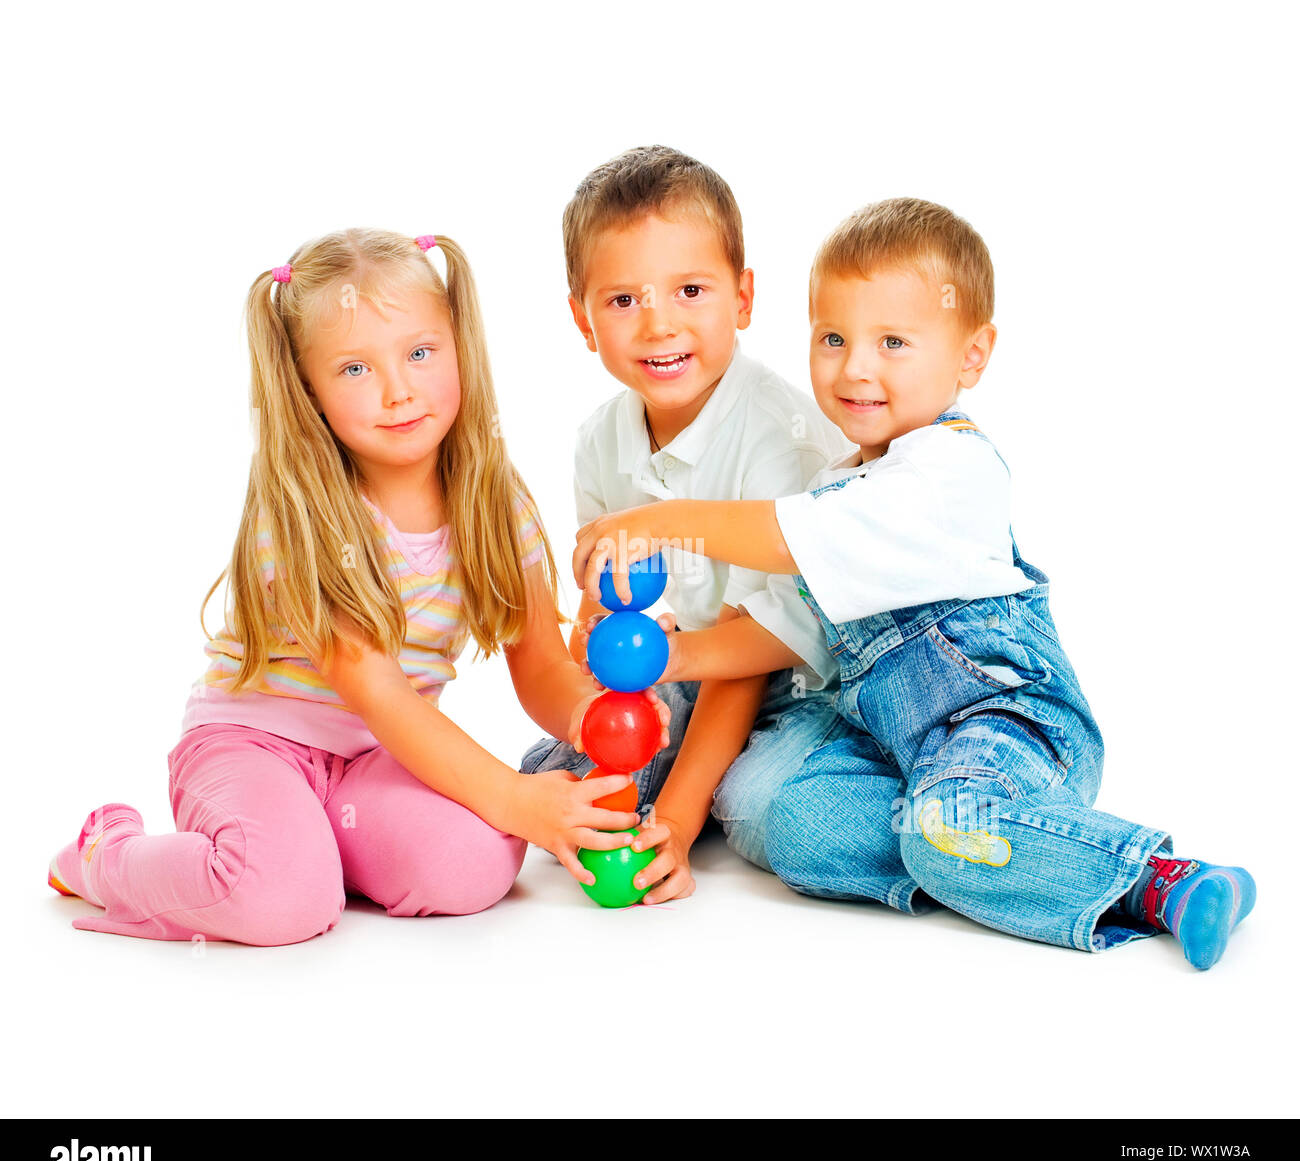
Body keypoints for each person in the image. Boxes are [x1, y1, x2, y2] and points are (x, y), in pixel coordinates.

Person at [573, 199, 1255, 970]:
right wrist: (667, 656)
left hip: (1006, 722)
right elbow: (782, 622)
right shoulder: (844, 471)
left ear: (972, 356)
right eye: (833, 339)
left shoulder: (949, 469)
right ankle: (989, 843)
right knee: (791, 825)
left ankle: (1154, 877)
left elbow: (783, 535)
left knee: (939, 819)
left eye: (893, 342)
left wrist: (665, 523)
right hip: (898, 744)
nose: (855, 368)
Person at [48, 227, 667, 946]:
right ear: (308, 388)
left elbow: (539, 665)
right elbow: (380, 692)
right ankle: (108, 855)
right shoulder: (305, 517)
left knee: (481, 860)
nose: (399, 390)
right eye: (354, 369)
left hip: (373, 759)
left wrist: (595, 718)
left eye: (420, 352)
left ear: (457, 346)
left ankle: (311, 845)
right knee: (281, 904)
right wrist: (513, 794)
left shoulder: (496, 500)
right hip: (254, 744)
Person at [520, 146, 851, 904]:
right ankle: (687, 769)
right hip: (690, 668)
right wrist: (599, 634)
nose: (658, 323)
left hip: (798, 684)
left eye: (690, 289)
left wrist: (673, 817)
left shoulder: (779, 437)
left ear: (743, 297)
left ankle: (727, 786)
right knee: (554, 784)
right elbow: (617, 613)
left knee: (758, 808)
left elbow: (759, 651)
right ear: (582, 319)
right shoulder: (600, 439)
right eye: (623, 300)